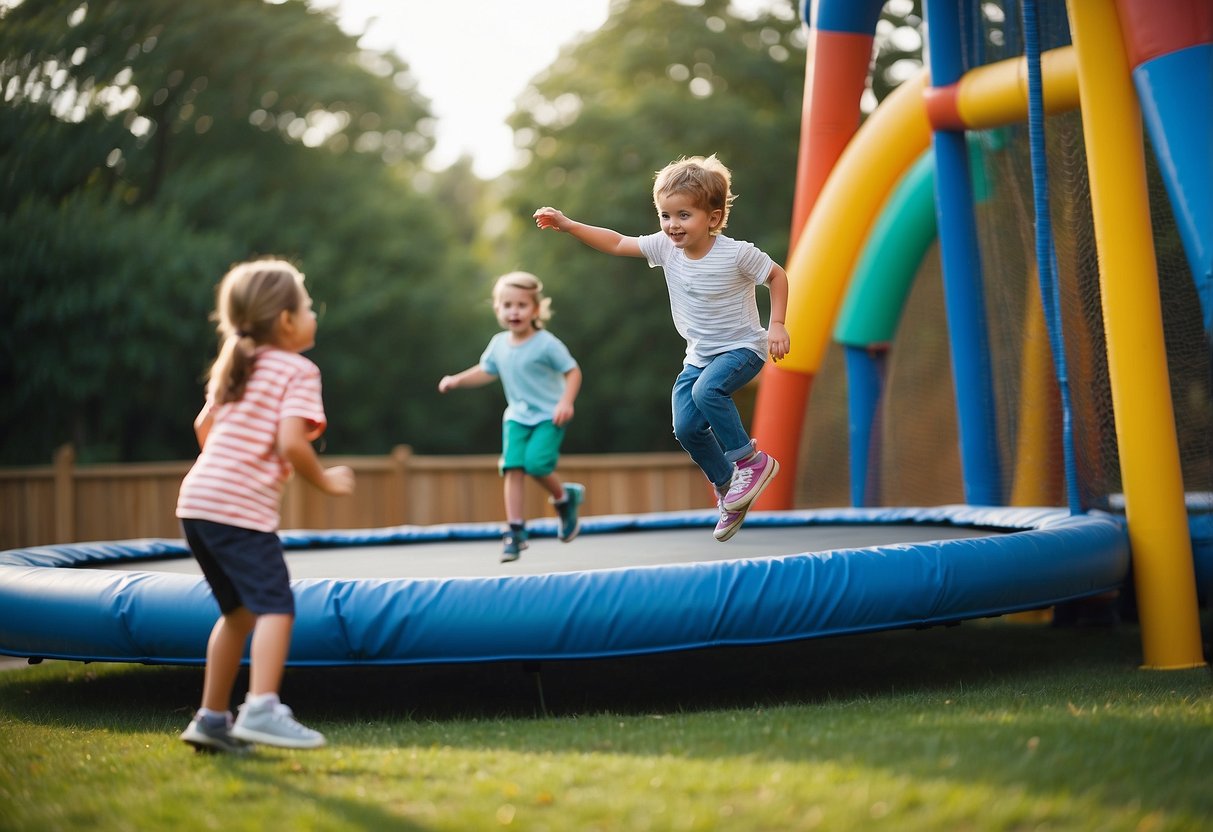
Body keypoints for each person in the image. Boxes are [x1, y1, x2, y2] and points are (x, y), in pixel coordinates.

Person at [534, 154, 790, 542]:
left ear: (714, 218)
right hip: (699, 356)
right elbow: (618, 242)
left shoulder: (737, 253)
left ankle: (750, 463)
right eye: (665, 215)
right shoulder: (666, 248)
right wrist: (570, 226)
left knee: (708, 392)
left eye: (684, 215)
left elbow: (776, 275)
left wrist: (777, 325)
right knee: (685, 426)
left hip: (742, 349)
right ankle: (727, 488)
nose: (673, 225)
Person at [176, 258, 355, 754]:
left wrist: (227, 462)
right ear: (286, 320)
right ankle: (262, 707)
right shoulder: (298, 370)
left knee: (237, 614)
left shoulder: (237, 362)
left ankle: (212, 719)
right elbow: (293, 444)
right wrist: (326, 482)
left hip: (196, 503)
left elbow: (203, 429)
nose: (314, 314)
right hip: (236, 510)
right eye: (309, 306)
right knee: (277, 604)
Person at [439, 271, 585, 562]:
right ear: (497, 309)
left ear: (535, 309)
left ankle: (564, 498)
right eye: (507, 305)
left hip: (548, 415)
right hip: (516, 417)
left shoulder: (546, 343)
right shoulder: (499, 344)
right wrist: (456, 380)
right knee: (512, 468)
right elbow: (486, 370)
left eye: (521, 305)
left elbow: (573, 371)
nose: (514, 311)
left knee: (536, 465)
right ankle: (515, 530)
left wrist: (566, 402)